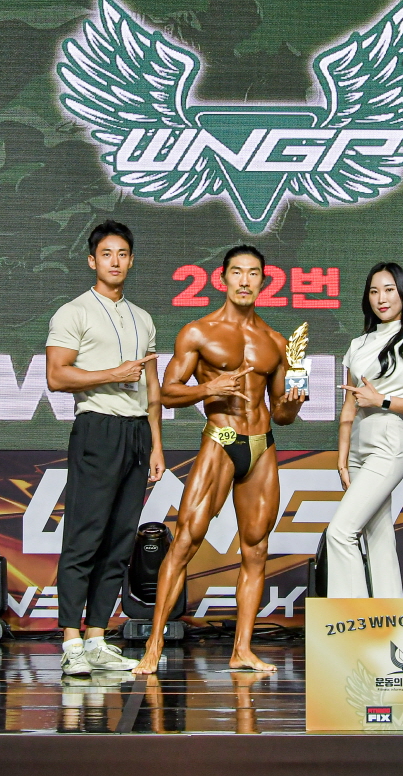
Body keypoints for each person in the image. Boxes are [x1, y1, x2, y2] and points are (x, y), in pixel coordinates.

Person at [131, 245, 308, 674]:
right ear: (223, 278)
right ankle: (154, 645)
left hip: (262, 445)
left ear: (264, 280)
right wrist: (211, 388)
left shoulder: (276, 342)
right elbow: (167, 392)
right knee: (185, 541)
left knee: (256, 548)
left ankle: (242, 649)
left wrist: (293, 401)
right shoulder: (198, 332)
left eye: (253, 273)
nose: (245, 280)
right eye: (237, 272)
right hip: (221, 438)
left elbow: (282, 416)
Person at [45, 220, 165, 676]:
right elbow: (56, 376)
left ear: (131, 261)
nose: (115, 261)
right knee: (84, 537)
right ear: (92, 260)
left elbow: (152, 390)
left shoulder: (143, 318)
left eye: (123, 254)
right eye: (107, 254)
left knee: (118, 541)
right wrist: (112, 374)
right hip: (97, 428)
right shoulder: (73, 312)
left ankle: (96, 636)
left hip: (136, 433)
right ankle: (71, 641)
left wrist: (156, 445)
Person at [325, 262, 403, 598]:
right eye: (374, 291)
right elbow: (349, 407)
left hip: (389, 440)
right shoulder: (358, 344)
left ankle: (352, 619)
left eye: (389, 290)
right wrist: (342, 458)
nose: (381, 298)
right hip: (358, 444)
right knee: (377, 535)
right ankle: (390, 618)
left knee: (340, 532)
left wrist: (382, 400)